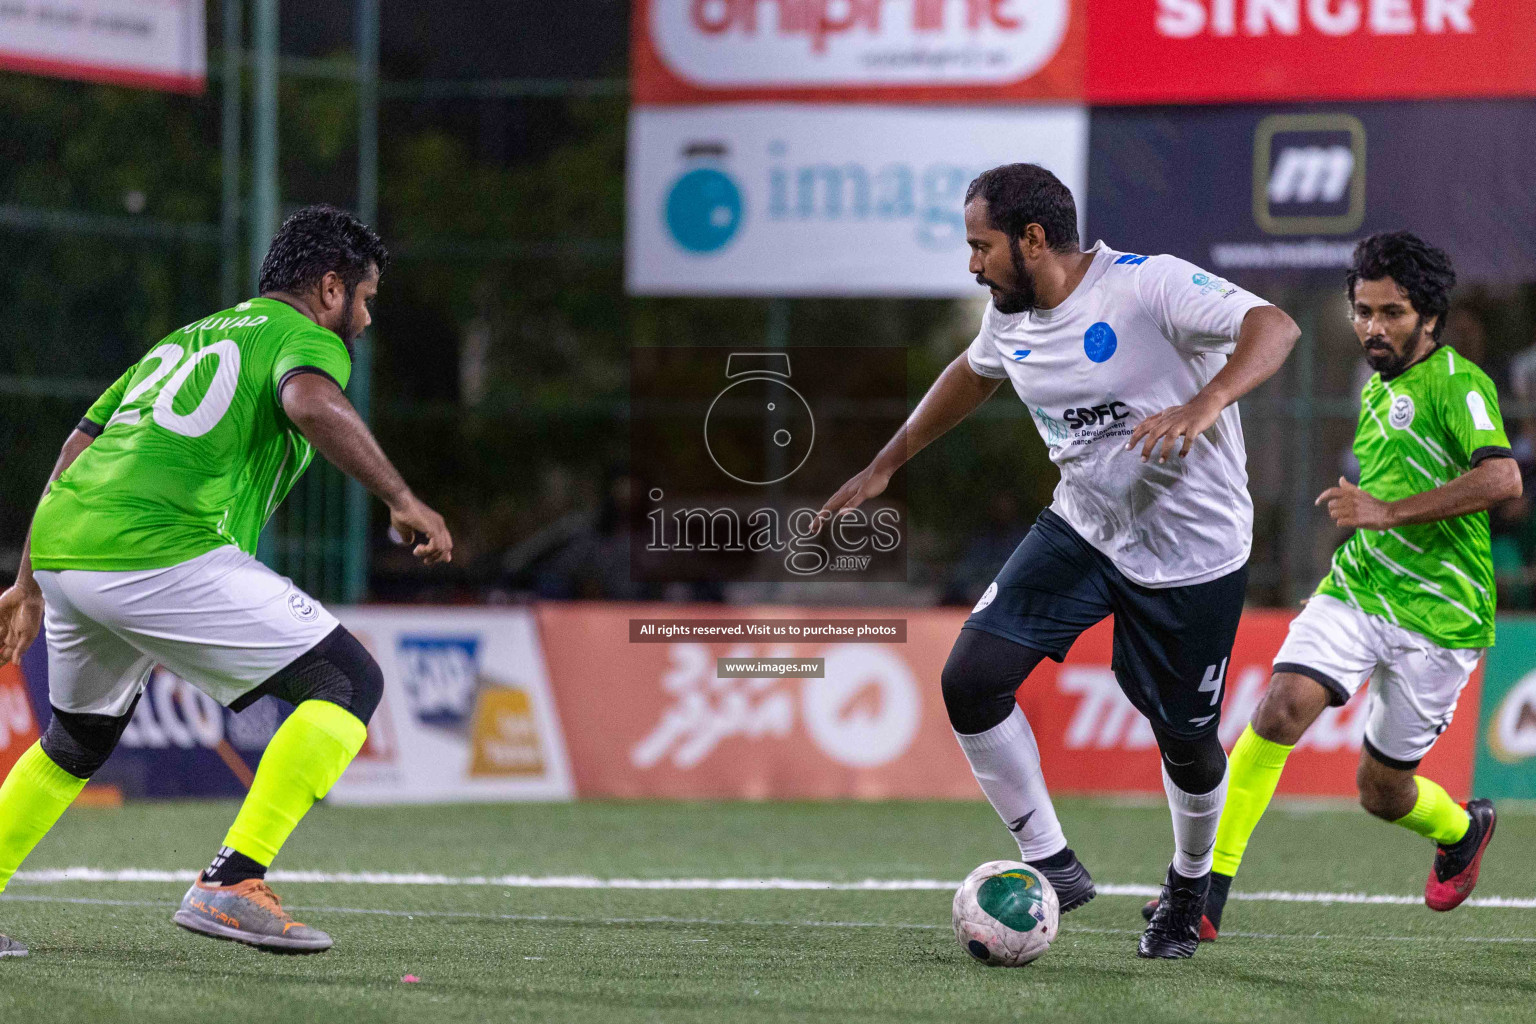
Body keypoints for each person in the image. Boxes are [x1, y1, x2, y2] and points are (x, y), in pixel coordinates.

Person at [819, 163, 1299, 958]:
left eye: (982, 246)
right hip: (1085, 529)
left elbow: (1275, 327)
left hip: (1193, 554)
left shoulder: (1147, 287)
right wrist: (887, 462)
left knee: (1187, 740)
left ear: (1033, 239)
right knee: (971, 681)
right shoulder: (1009, 316)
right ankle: (1053, 864)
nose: (973, 264)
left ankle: (1187, 886)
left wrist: (1206, 402)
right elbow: (973, 375)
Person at [0, 205, 453, 958]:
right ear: (331, 288)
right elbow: (309, 401)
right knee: (348, 682)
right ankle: (232, 880)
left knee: (75, 741)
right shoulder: (305, 339)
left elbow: (80, 442)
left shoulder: (185, 337)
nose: (367, 321)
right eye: (367, 299)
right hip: (157, 549)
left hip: (67, 549)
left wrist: (30, 582)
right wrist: (401, 497)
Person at [1143, 231, 1517, 940]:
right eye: (1363, 311)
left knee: (1381, 792)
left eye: (1392, 314)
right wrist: (1363, 534)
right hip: (1360, 589)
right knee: (1279, 709)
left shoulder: (1459, 383)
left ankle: (1463, 830)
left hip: (1440, 617)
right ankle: (1201, 895)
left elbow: (1503, 478)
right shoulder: (1375, 387)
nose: (1373, 328)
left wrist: (1388, 512)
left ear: (1429, 317)